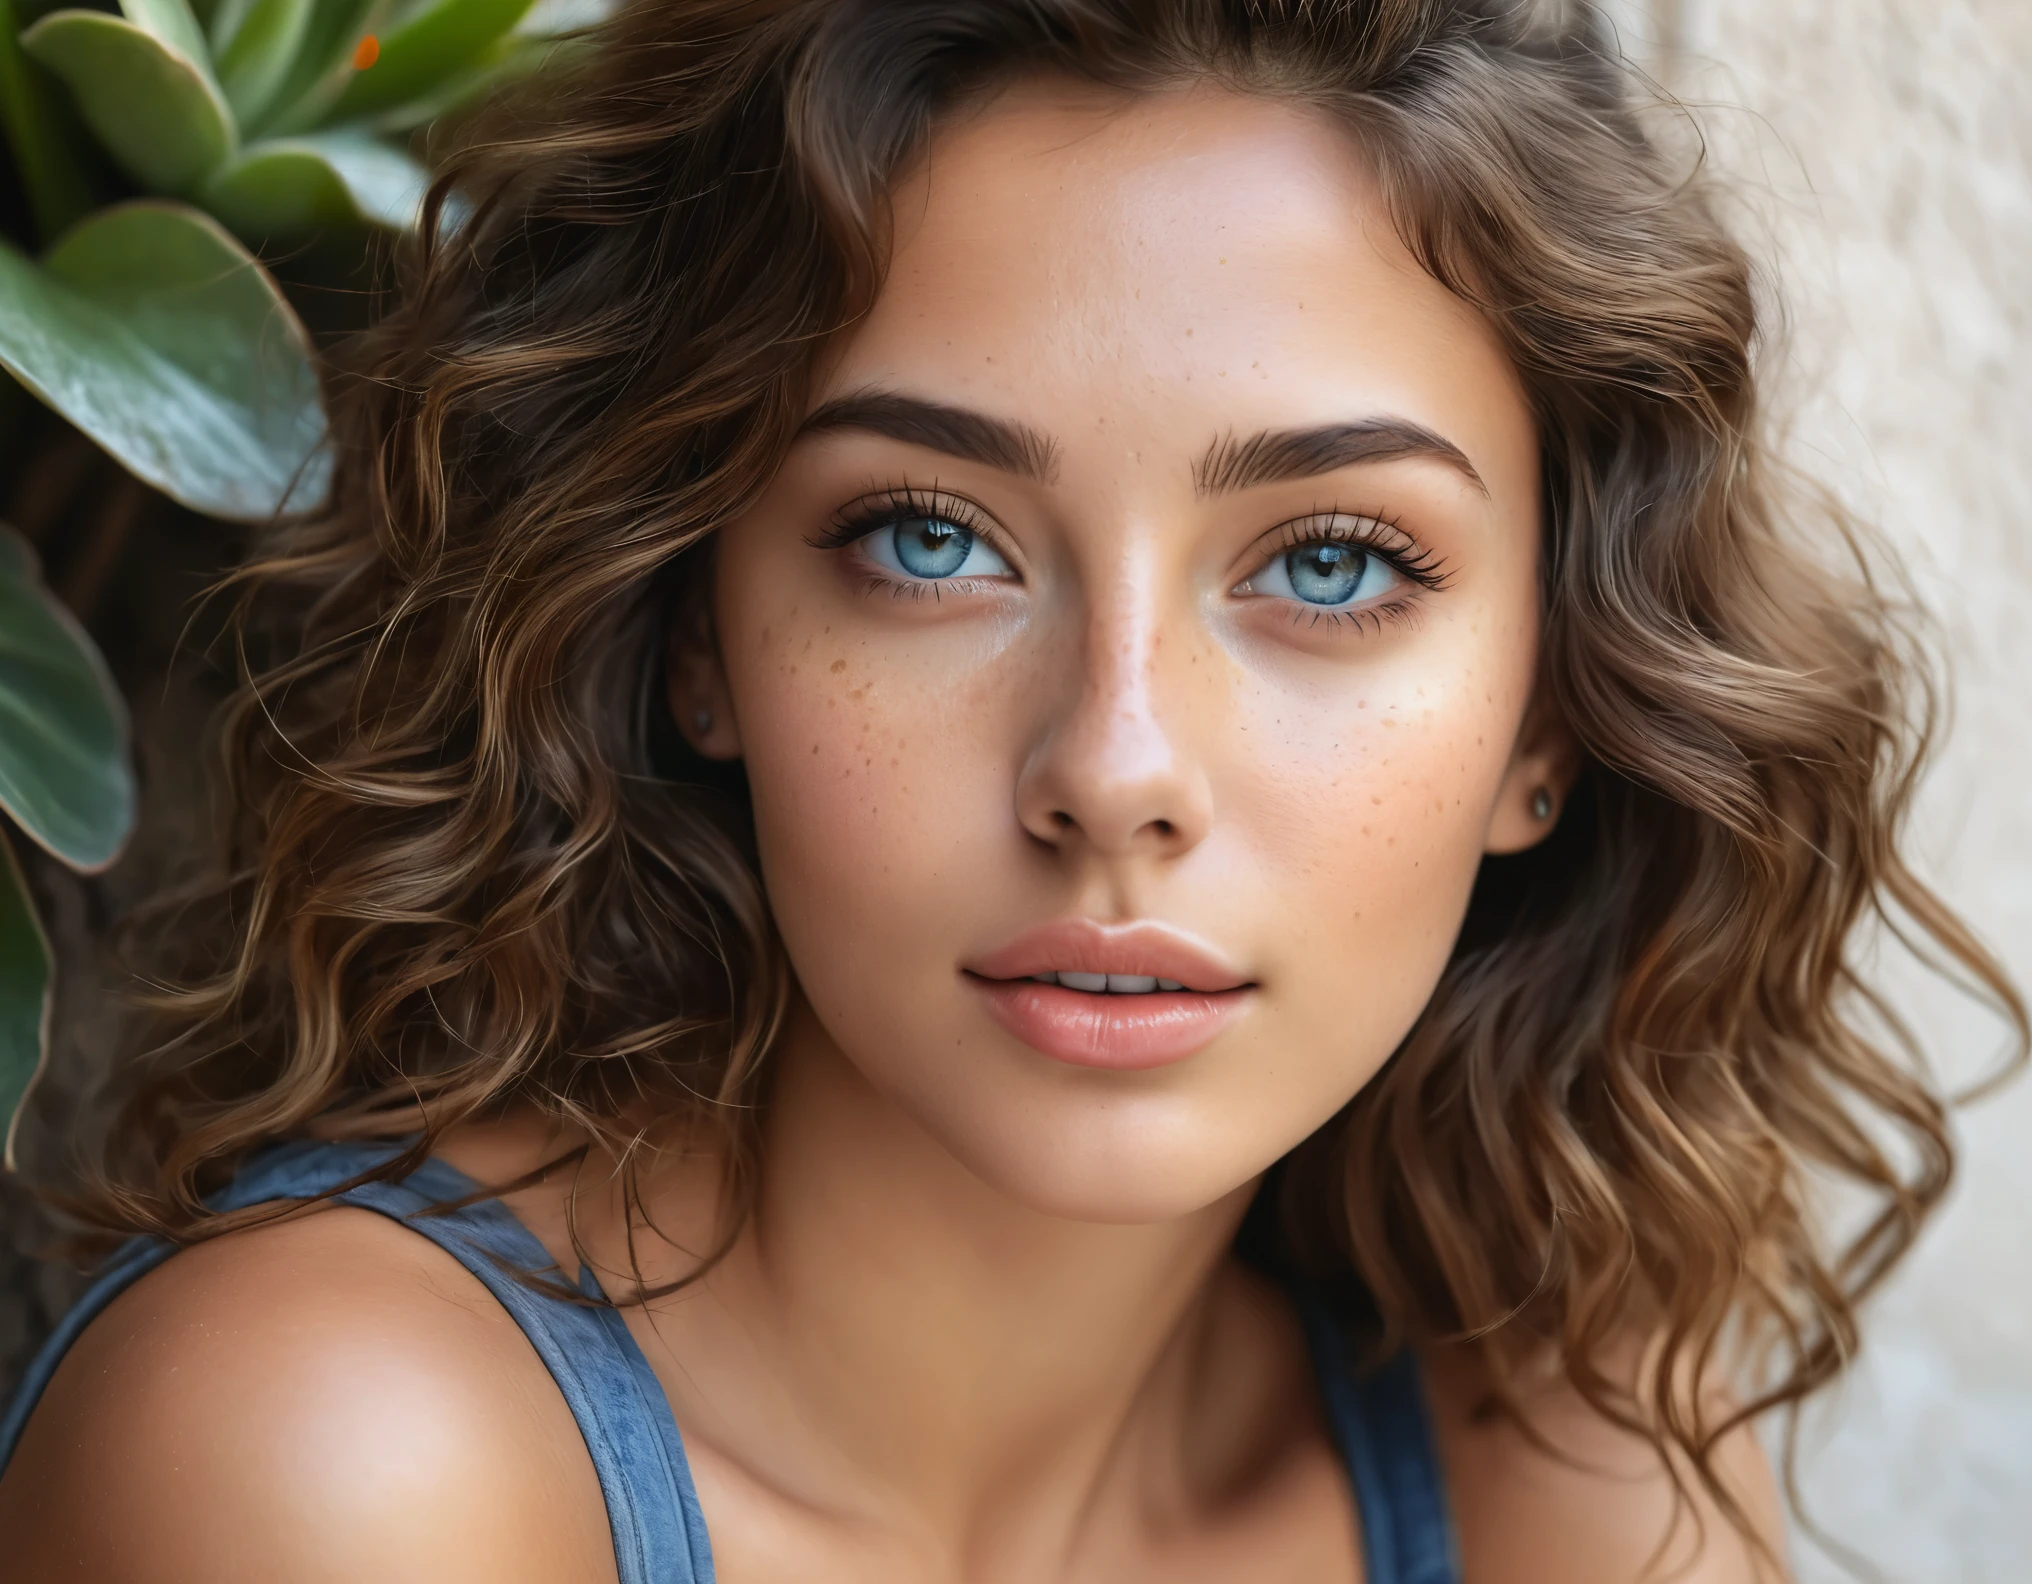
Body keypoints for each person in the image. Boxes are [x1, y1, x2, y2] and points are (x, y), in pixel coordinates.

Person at [0, 3, 2018, 1580]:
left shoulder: (1559, 1443)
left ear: (1546, 718)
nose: (1112, 769)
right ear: (692, 627)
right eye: (928, 538)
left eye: (1328, 562)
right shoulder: (336, 1457)